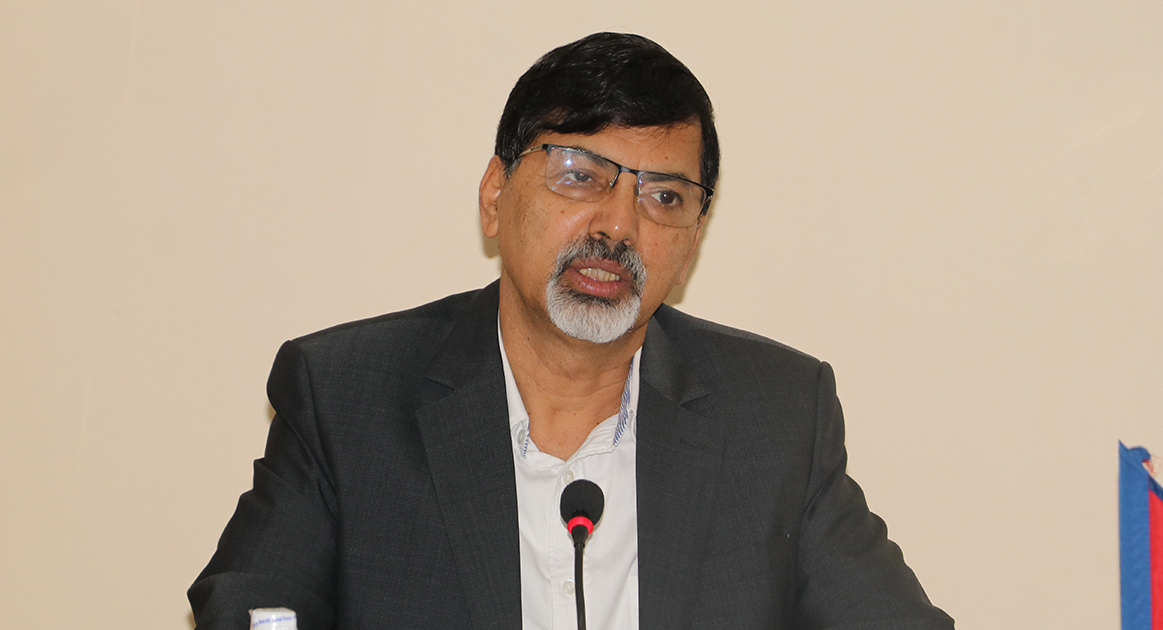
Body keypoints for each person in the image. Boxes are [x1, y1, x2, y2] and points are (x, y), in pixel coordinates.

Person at [189, 32, 954, 630]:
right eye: (581, 176)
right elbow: (251, 609)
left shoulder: (777, 415)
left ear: (691, 240)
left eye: (663, 197)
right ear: (495, 195)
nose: (618, 225)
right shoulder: (346, 397)